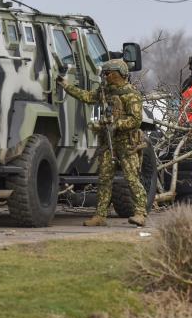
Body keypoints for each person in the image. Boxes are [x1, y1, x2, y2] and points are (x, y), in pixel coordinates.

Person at [56, 59, 147, 227]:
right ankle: (100, 216)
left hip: (126, 142)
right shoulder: (105, 91)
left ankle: (140, 213)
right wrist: (66, 86)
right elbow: (88, 97)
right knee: (104, 179)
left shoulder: (131, 94)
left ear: (117, 74)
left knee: (132, 178)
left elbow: (136, 120)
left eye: (108, 74)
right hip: (107, 142)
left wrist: (116, 123)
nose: (105, 77)